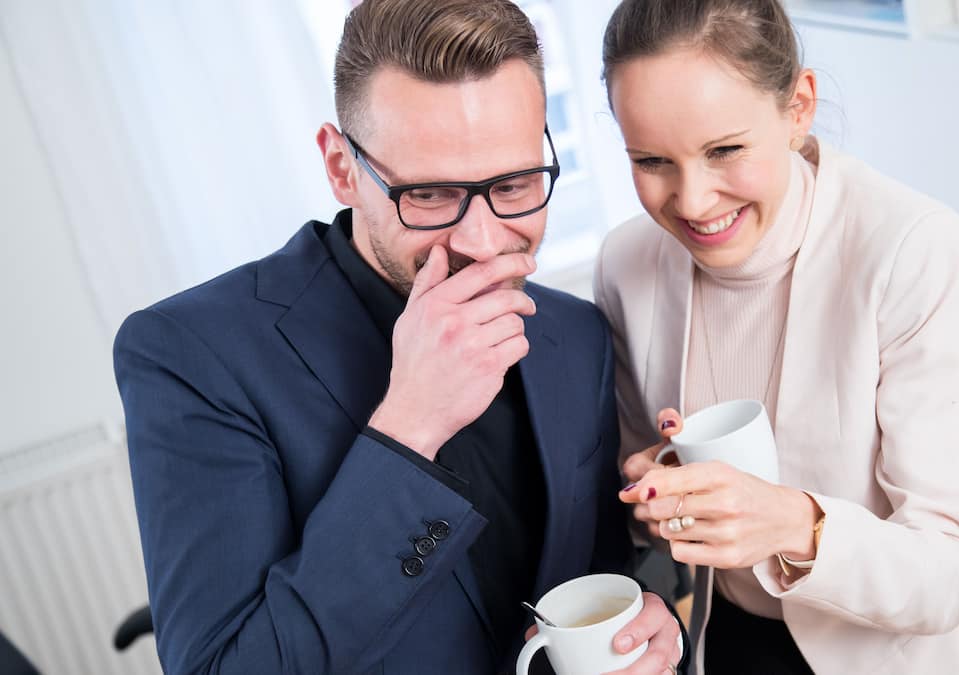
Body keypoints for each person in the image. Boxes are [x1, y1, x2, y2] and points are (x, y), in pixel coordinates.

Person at [113, 1, 684, 673]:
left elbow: (602, 577)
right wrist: (411, 427)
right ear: (341, 165)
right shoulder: (192, 355)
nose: (481, 241)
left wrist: (651, 617)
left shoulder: (577, 335)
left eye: (515, 182)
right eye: (432, 194)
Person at [594, 1, 959, 673]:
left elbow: (949, 573)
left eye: (724, 150)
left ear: (798, 105)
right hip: (734, 642)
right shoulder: (627, 265)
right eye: (652, 159)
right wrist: (658, 494)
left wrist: (793, 523)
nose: (691, 201)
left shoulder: (913, 251)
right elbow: (643, 508)